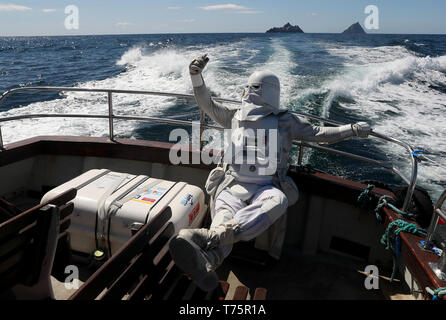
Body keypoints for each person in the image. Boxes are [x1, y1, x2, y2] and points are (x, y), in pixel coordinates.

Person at [169, 54, 372, 291]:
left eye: (253, 88)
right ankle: (209, 260)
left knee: (277, 201)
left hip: (266, 187)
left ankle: (207, 243)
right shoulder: (235, 116)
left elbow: (318, 134)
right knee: (224, 224)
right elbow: (207, 104)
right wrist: (196, 77)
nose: (248, 92)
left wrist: (351, 130)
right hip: (230, 185)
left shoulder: (284, 121)